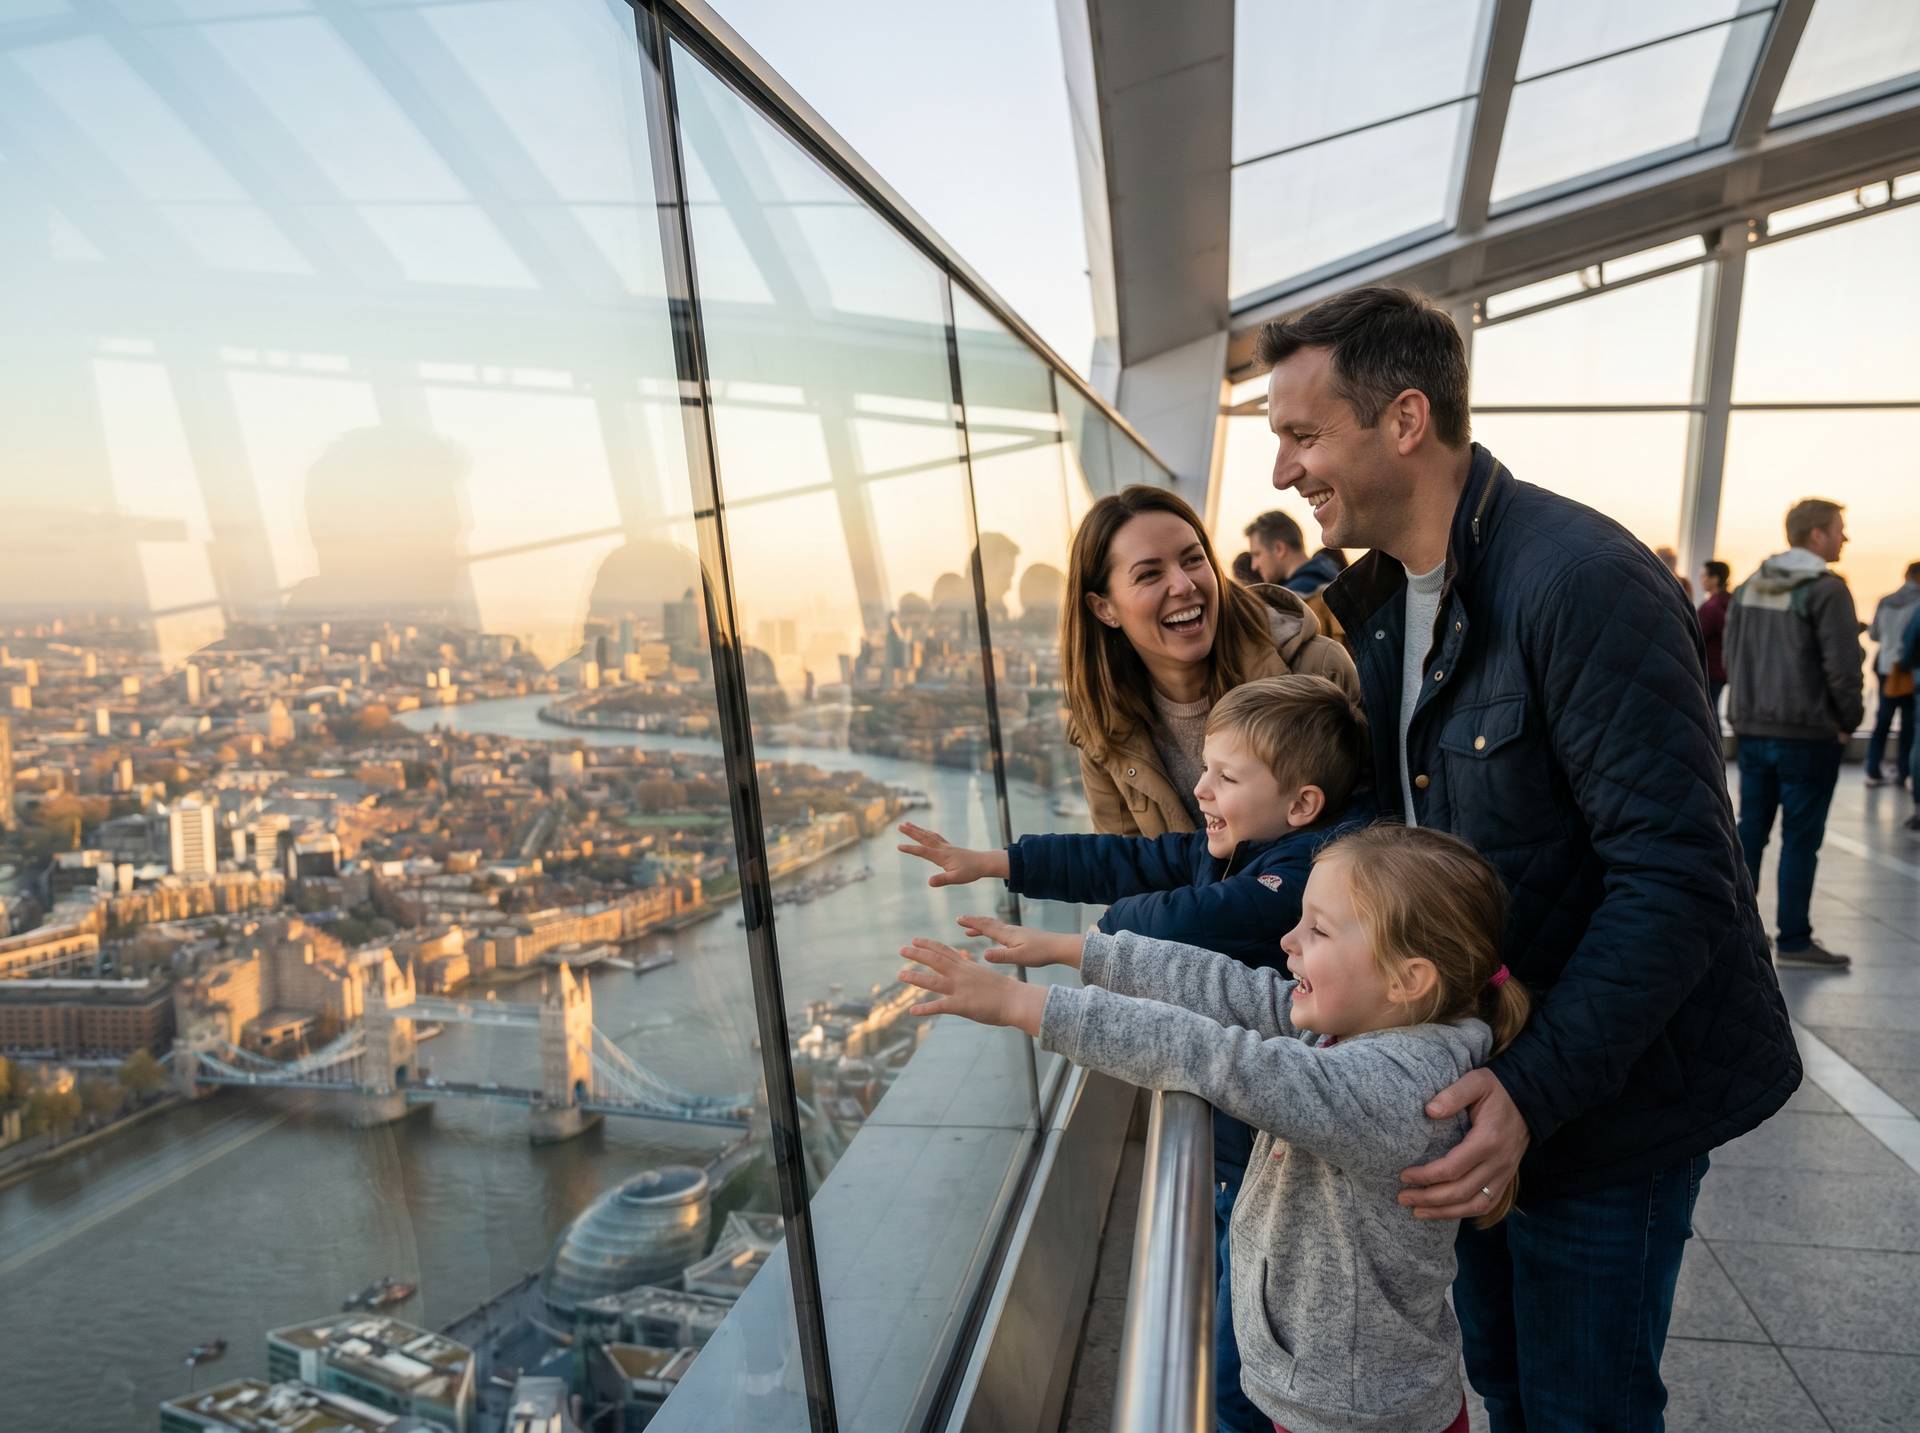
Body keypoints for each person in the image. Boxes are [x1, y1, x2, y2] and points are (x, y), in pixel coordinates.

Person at [1258, 285, 1796, 1429]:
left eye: (1303, 435)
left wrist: (1530, 1089)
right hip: (1489, 1086)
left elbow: (1681, 877)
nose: (1283, 473)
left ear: (1405, 419)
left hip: (1606, 1103)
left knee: (1581, 1406)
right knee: (1507, 1384)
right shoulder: (1392, 602)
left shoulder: (1579, 580)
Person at [898, 825, 1532, 1433]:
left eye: (1317, 930)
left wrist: (1022, 1006)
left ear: (1406, 978)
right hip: (1330, 1394)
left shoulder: (1397, 1090)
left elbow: (1217, 1056)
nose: (1288, 942)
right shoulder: (1372, 1025)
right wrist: (1078, 950)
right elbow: (1232, 990)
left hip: (1355, 1413)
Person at [899, 673, 1366, 1431]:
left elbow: (1190, 917)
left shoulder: (1305, 870)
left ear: (1301, 803)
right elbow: (1125, 859)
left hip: (1265, 1163)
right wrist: (998, 861)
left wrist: (1104, 932)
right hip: (1245, 1149)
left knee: (1239, 1367)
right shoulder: (1245, 842)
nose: (1201, 787)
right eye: (1205, 768)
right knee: (1236, 1345)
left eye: (1225, 776)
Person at [1062, 486, 1355, 840]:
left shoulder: (1316, 669)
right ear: (1104, 608)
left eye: (1193, 559)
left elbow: (1371, 836)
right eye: (1149, 574)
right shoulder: (1103, 723)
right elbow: (1123, 869)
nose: (1184, 585)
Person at [1724, 498, 1865, 970]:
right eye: (1840, 529)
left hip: (1752, 729)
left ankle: (1736, 928)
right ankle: (1796, 939)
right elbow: (1844, 666)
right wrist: (1848, 719)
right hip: (1807, 734)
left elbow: (1730, 655)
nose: (1845, 538)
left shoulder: (1748, 587)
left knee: (1751, 830)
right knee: (1801, 838)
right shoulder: (1827, 590)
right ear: (1817, 536)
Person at [1865, 561, 1920, 786]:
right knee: (1909, 724)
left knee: (1882, 721)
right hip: (1909, 669)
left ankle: (1872, 770)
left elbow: (1874, 634)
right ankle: (1904, 772)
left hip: (1885, 667)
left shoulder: (1885, 601)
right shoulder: (1918, 603)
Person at [1243, 509, 1347, 597]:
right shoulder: (1336, 580)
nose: (1254, 566)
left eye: (1257, 554)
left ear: (1279, 549)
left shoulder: (1292, 600)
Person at [1698, 560, 1732, 737]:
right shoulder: (1730, 604)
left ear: (1715, 579)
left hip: (1710, 668)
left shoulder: (1711, 608)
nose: (1700, 579)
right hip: (1722, 668)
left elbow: (1698, 635)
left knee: (1709, 713)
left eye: (1704, 576)